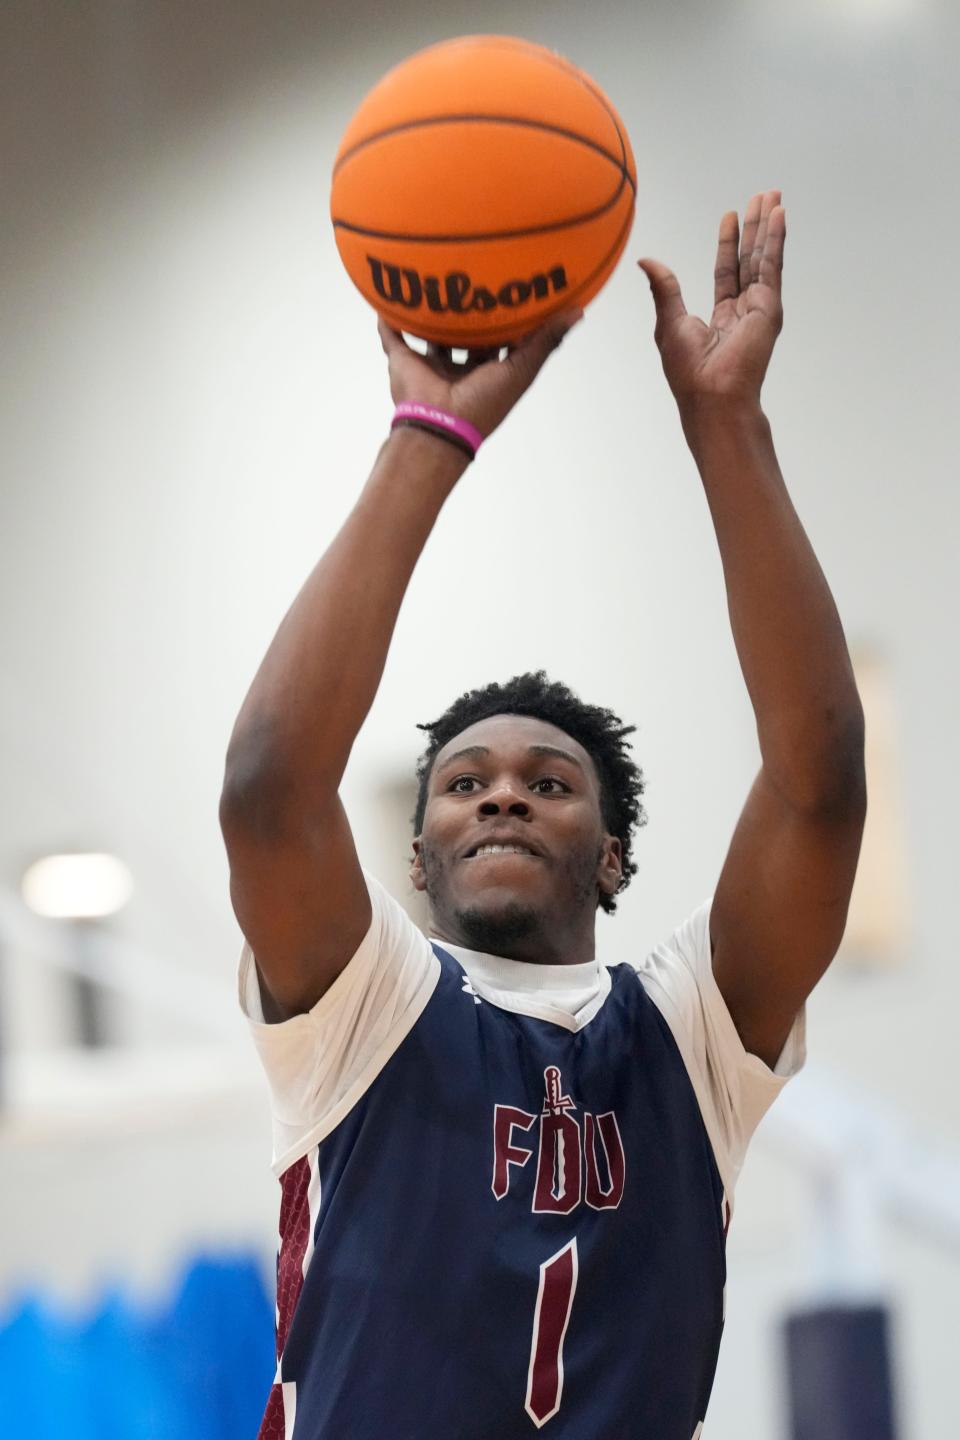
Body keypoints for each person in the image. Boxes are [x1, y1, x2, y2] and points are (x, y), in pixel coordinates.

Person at [219, 189, 866, 1439]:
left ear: (612, 855)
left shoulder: (690, 1033)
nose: (504, 789)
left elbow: (821, 783)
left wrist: (727, 430)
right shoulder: (363, 1014)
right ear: (415, 854)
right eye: (464, 784)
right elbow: (266, 789)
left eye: (549, 783)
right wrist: (428, 434)